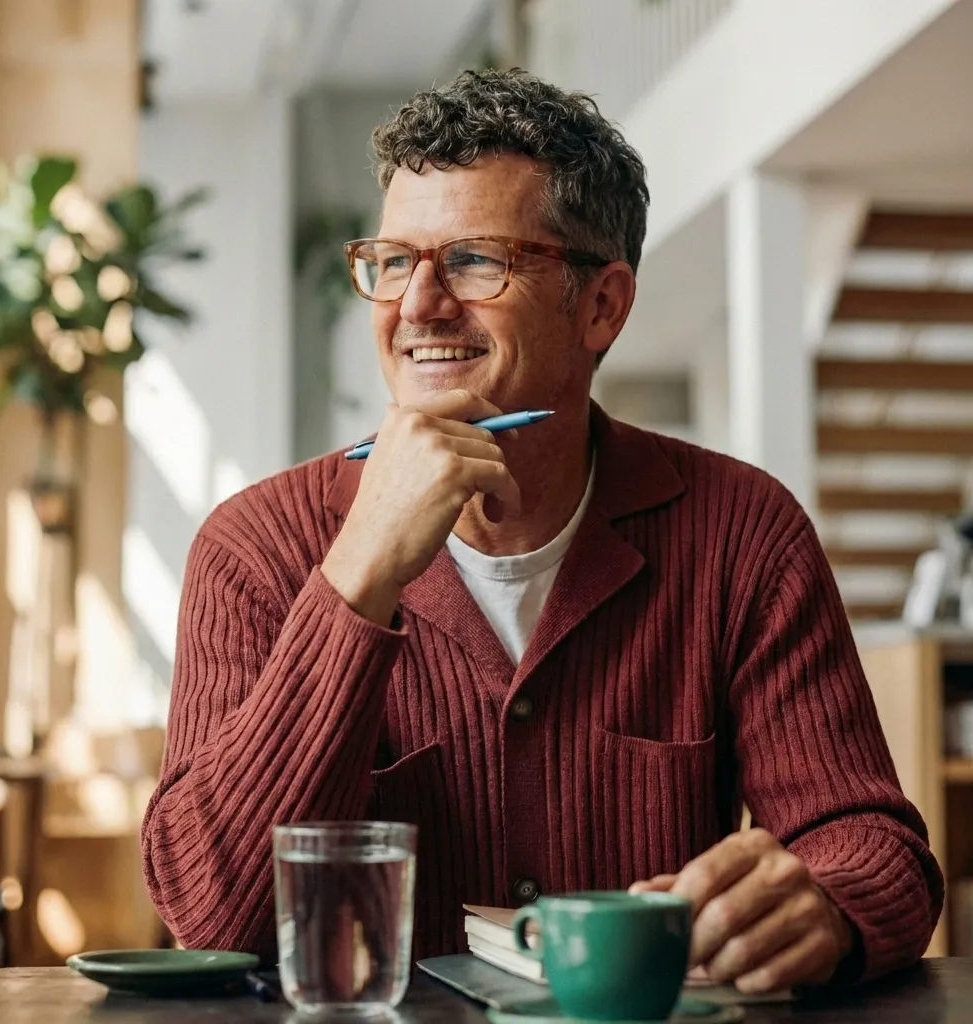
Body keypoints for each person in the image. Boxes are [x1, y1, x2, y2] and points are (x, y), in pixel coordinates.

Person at [142, 68, 942, 993]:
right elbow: (211, 912)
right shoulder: (254, 547)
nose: (417, 305)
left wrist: (826, 908)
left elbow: (873, 847)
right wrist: (358, 573)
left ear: (601, 305)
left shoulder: (741, 532)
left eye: (475, 260)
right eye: (394, 260)